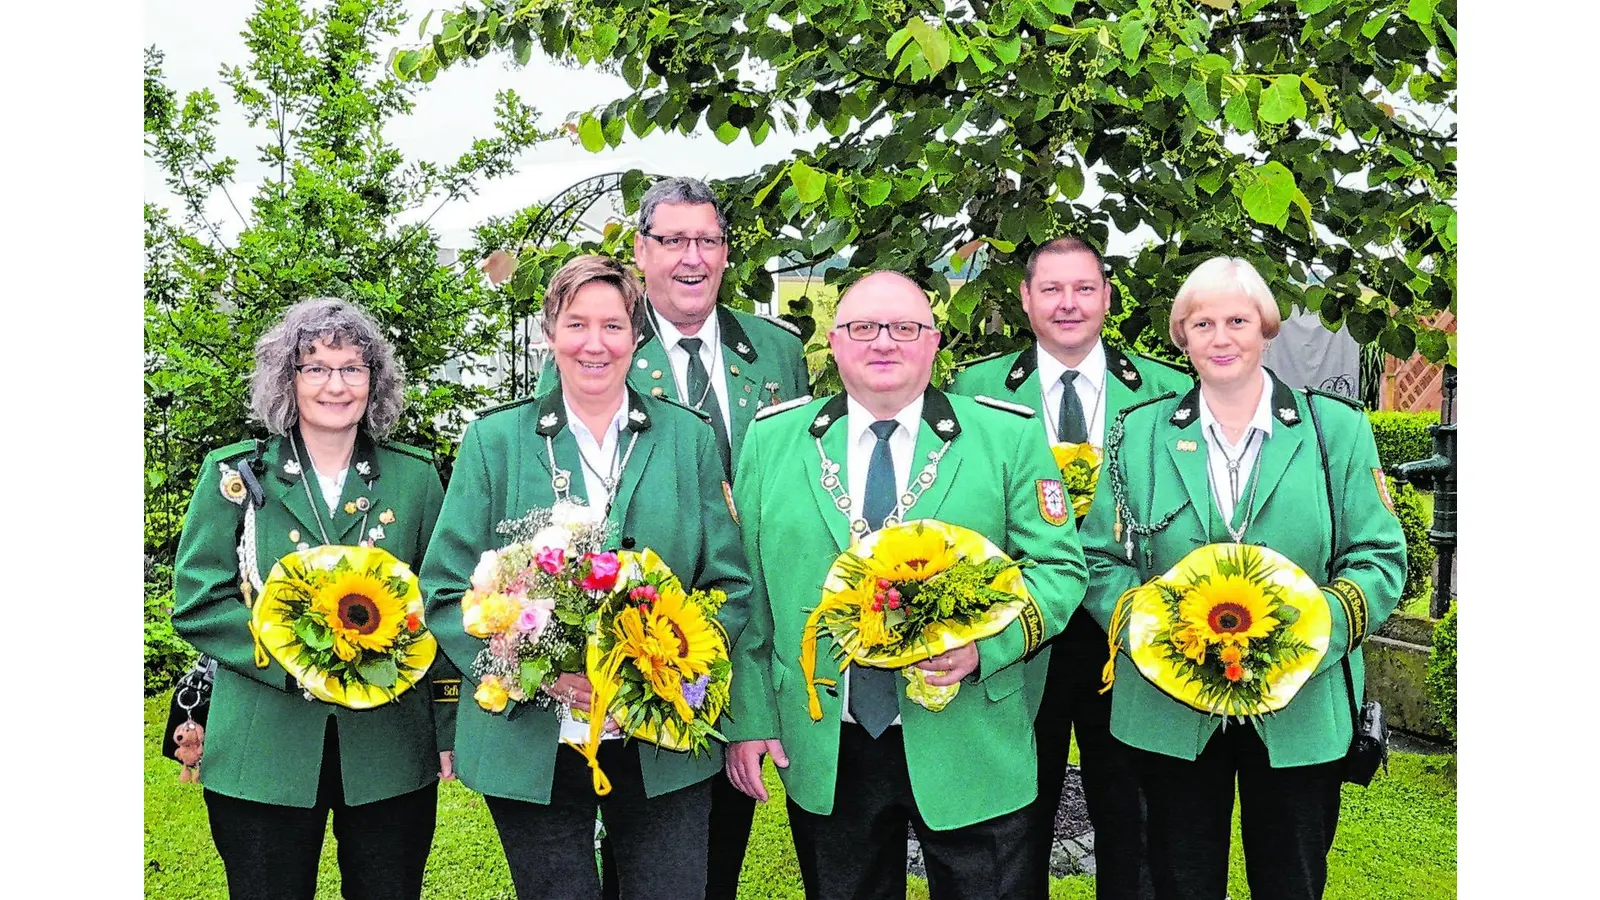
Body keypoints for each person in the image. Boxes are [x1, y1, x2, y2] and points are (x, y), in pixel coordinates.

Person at [724, 271, 1089, 900]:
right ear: (833, 344)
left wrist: (985, 647)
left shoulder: (1006, 434)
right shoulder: (773, 439)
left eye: (904, 328)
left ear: (933, 342)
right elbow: (749, 593)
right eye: (863, 328)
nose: (883, 343)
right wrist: (750, 717)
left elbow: (1059, 568)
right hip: (827, 738)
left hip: (971, 730)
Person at [420, 254, 754, 900]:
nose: (594, 344)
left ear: (637, 336)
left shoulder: (686, 438)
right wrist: (533, 669)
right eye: (576, 325)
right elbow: (443, 590)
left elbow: (730, 583)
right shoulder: (496, 440)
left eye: (612, 325)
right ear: (551, 334)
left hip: (661, 735)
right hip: (534, 736)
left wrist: (664, 668)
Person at [1079, 256, 1407, 900]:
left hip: (1301, 705)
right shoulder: (1138, 433)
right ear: (1182, 336)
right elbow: (1099, 559)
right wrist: (1157, 633)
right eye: (1202, 323)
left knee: (1291, 882)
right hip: (1170, 708)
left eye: (1238, 320)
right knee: (1178, 881)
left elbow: (1379, 556)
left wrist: (1311, 634)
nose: (1221, 337)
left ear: (1266, 328)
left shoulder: (1332, 429)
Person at [542, 175, 810, 897]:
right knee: (636, 840)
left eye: (708, 240)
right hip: (636, 644)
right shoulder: (598, 346)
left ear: (726, 253)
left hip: (748, 626)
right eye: (672, 241)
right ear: (641, 250)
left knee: (711, 846)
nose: (691, 258)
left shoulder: (778, 352)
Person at [172, 297, 457, 900]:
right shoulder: (235, 475)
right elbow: (199, 599)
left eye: (353, 368)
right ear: (288, 380)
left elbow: (442, 604)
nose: (336, 385)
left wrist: (448, 726)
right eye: (317, 368)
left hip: (389, 749)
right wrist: (298, 656)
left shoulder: (415, 477)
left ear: (373, 382)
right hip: (262, 747)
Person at [950, 236, 1191, 900]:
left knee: (1134, 816)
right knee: (1013, 816)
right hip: (1019, 631)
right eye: (1051, 289)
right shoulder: (975, 390)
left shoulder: (1166, 391)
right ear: (1025, 298)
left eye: (1084, 288)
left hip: (1127, 632)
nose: (1068, 303)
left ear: (1108, 298)